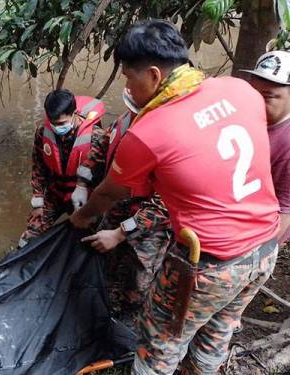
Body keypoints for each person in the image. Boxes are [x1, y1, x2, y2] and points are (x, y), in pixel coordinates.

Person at [70, 20, 279, 375]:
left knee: (161, 343)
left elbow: (109, 192)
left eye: (127, 77)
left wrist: (82, 217)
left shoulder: (150, 130)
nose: (126, 86)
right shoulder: (240, 90)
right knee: (217, 333)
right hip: (264, 249)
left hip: (208, 263)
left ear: (153, 75)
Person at [77, 89, 172, 316]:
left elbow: (164, 203)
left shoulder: (170, 139)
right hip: (117, 204)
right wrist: (82, 182)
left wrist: (121, 233)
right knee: (105, 263)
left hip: (148, 221)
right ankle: (107, 307)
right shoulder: (126, 119)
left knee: (139, 279)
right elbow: (102, 145)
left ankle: (130, 320)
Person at [19, 89, 105, 247]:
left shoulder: (97, 136)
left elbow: (105, 177)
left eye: (62, 124)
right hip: (55, 193)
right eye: (53, 124)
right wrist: (38, 203)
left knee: (92, 239)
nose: (57, 128)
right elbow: (38, 167)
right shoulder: (43, 133)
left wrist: (91, 207)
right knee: (29, 236)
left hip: (82, 197)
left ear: (74, 113)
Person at [243, 50, 290, 245]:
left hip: (261, 230)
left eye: (268, 96)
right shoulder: (247, 118)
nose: (258, 101)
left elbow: (286, 211)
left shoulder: (287, 141)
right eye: (254, 93)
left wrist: (260, 255)